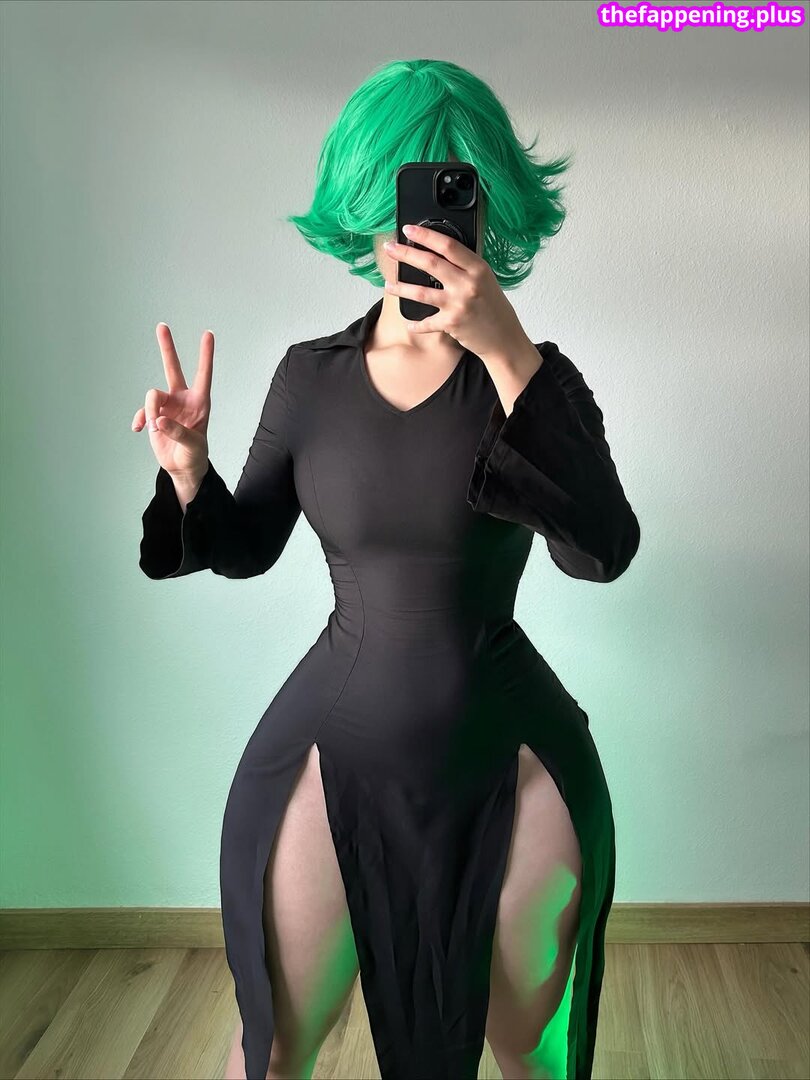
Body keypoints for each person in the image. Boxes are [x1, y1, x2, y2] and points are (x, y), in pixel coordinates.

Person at [134, 59, 640, 1080]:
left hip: (517, 756)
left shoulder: (537, 385)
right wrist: (188, 472)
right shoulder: (309, 379)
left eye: (448, 203)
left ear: (488, 208)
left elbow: (600, 553)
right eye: (398, 209)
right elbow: (244, 549)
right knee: (272, 1050)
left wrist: (509, 353)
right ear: (363, 214)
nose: (420, 235)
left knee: (532, 1058)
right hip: (327, 751)